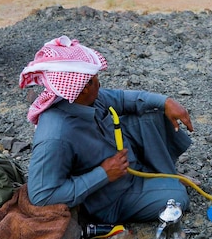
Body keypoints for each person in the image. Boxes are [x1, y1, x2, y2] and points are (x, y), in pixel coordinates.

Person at [20, 36, 194, 224]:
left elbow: (121, 99)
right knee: (178, 197)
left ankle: (162, 174)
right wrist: (103, 174)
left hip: (123, 166)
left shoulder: (84, 97)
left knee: (154, 114)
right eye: (95, 79)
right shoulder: (54, 137)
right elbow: (41, 196)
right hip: (110, 196)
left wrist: (165, 101)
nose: (99, 83)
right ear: (84, 87)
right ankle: (163, 183)